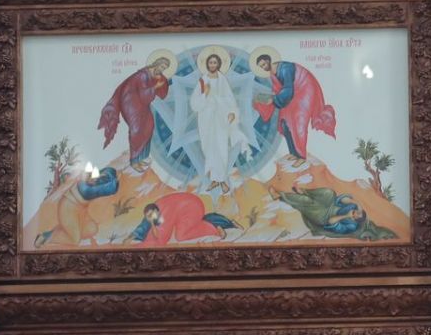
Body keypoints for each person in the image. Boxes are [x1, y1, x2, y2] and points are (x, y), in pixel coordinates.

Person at [252, 50, 337, 167]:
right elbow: (278, 90)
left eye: (263, 64)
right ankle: (294, 152)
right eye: (261, 67)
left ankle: (301, 156)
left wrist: (274, 99)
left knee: (298, 122)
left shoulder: (285, 68)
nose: (263, 67)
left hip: (305, 87)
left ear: (268, 60)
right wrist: (267, 98)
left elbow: (288, 90)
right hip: (291, 93)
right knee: (284, 121)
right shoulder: (272, 73)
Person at [98, 53, 173, 172]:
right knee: (137, 129)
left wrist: (163, 83)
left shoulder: (157, 75)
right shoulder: (143, 75)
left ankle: (140, 158)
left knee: (149, 124)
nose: (162, 69)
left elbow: (162, 93)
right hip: (130, 102)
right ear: (157, 64)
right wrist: (155, 86)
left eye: (164, 68)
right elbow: (144, 95)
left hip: (142, 103)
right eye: (162, 66)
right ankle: (134, 161)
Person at [191, 50, 249, 194]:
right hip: (206, 119)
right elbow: (194, 104)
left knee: (221, 147)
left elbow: (230, 99)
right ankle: (215, 180)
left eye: (215, 62)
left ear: (218, 64)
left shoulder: (223, 80)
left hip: (221, 118)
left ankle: (221, 181)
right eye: (210, 62)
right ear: (207, 64)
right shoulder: (202, 81)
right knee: (209, 148)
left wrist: (232, 113)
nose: (212, 65)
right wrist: (205, 94)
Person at [130, 194, 239, 246]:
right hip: (189, 206)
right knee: (188, 228)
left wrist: (151, 228)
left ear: (155, 211)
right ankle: (223, 222)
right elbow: (145, 224)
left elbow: (161, 238)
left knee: (181, 236)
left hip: (192, 207)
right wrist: (132, 236)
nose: (150, 217)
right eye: (148, 216)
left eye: (150, 215)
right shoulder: (155, 209)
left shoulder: (164, 213)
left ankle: (215, 228)